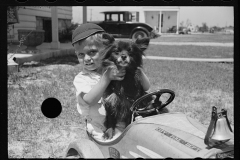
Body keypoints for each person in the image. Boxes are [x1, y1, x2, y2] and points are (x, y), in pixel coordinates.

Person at [72, 23, 151, 140]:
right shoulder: (82, 78)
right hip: (99, 129)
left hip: (120, 124)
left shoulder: (115, 71)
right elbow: (89, 100)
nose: (87, 58)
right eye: (81, 54)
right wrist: (107, 77)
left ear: (106, 50)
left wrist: (137, 69)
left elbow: (145, 87)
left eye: (92, 52)